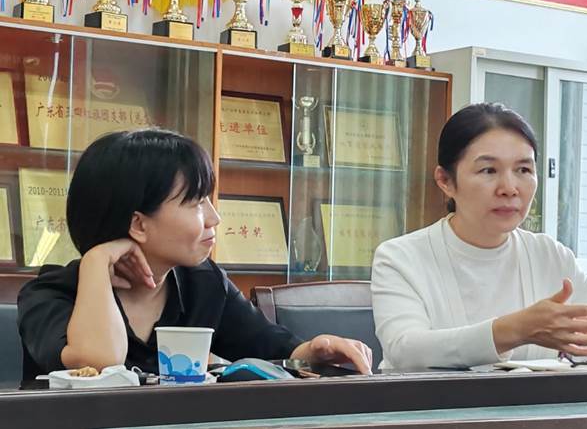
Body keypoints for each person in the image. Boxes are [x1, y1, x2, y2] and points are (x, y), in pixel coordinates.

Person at [18, 129, 372, 380]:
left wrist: (317, 349)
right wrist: (96, 263)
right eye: (196, 203)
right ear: (138, 224)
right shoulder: (49, 294)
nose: (214, 218)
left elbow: (275, 348)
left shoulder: (203, 283)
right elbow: (98, 365)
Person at [371, 103, 587, 370]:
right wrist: (516, 329)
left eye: (523, 170)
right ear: (445, 181)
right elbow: (405, 351)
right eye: (488, 170)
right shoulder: (400, 257)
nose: (509, 188)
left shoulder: (549, 254)